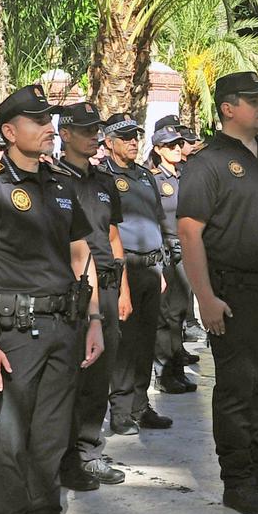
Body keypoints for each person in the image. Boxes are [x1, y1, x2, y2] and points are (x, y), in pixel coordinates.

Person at [0, 84, 104, 514]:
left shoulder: (61, 183)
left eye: (50, 120)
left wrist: (94, 320)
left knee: (51, 440)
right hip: (16, 333)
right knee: (14, 443)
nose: (49, 128)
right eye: (37, 120)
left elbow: (81, 252)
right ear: (9, 131)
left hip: (65, 327)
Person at [177, 71, 258, 514]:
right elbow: (190, 234)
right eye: (252, 100)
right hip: (235, 292)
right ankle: (238, 482)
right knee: (238, 389)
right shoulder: (207, 162)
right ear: (228, 108)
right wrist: (206, 297)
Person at [53, 102, 127, 491]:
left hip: (107, 286)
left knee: (101, 373)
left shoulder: (103, 180)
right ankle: (64, 457)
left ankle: (89, 450)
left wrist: (123, 287)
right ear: (64, 134)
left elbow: (113, 235)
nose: (94, 135)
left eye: (96, 128)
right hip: (68, 289)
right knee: (69, 375)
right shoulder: (51, 179)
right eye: (85, 130)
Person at [103, 113, 172, 437]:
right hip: (124, 268)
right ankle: (120, 412)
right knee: (125, 345)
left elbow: (157, 222)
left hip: (149, 267)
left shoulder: (146, 176)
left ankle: (140, 406)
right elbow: (107, 230)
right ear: (109, 142)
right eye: (126, 136)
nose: (133, 142)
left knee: (146, 342)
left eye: (136, 136)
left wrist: (159, 268)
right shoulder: (104, 177)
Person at [149, 126, 197, 395]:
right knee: (166, 315)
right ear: (158, 150)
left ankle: (177, 368)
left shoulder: (185, 175)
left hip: (187, 250)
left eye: (179, 144)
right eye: (170, 145)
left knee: (179, 313)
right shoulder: (154, 179)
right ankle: (164, 373)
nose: (177, 148)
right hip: (166, 250)